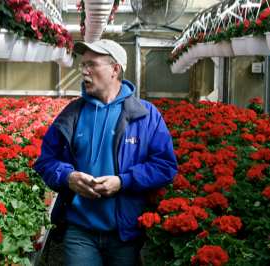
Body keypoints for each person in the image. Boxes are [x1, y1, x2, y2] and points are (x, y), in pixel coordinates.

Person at [34, 39, 177, 266]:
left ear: (115, 69)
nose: (84, 71)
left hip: (124, 232)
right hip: (79, 229)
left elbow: (165, 166)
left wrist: (123, 181)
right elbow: (46, 161)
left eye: (91, 64)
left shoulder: (146, 115)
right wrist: (68, 177)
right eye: (82, 65)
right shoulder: (72, 114)